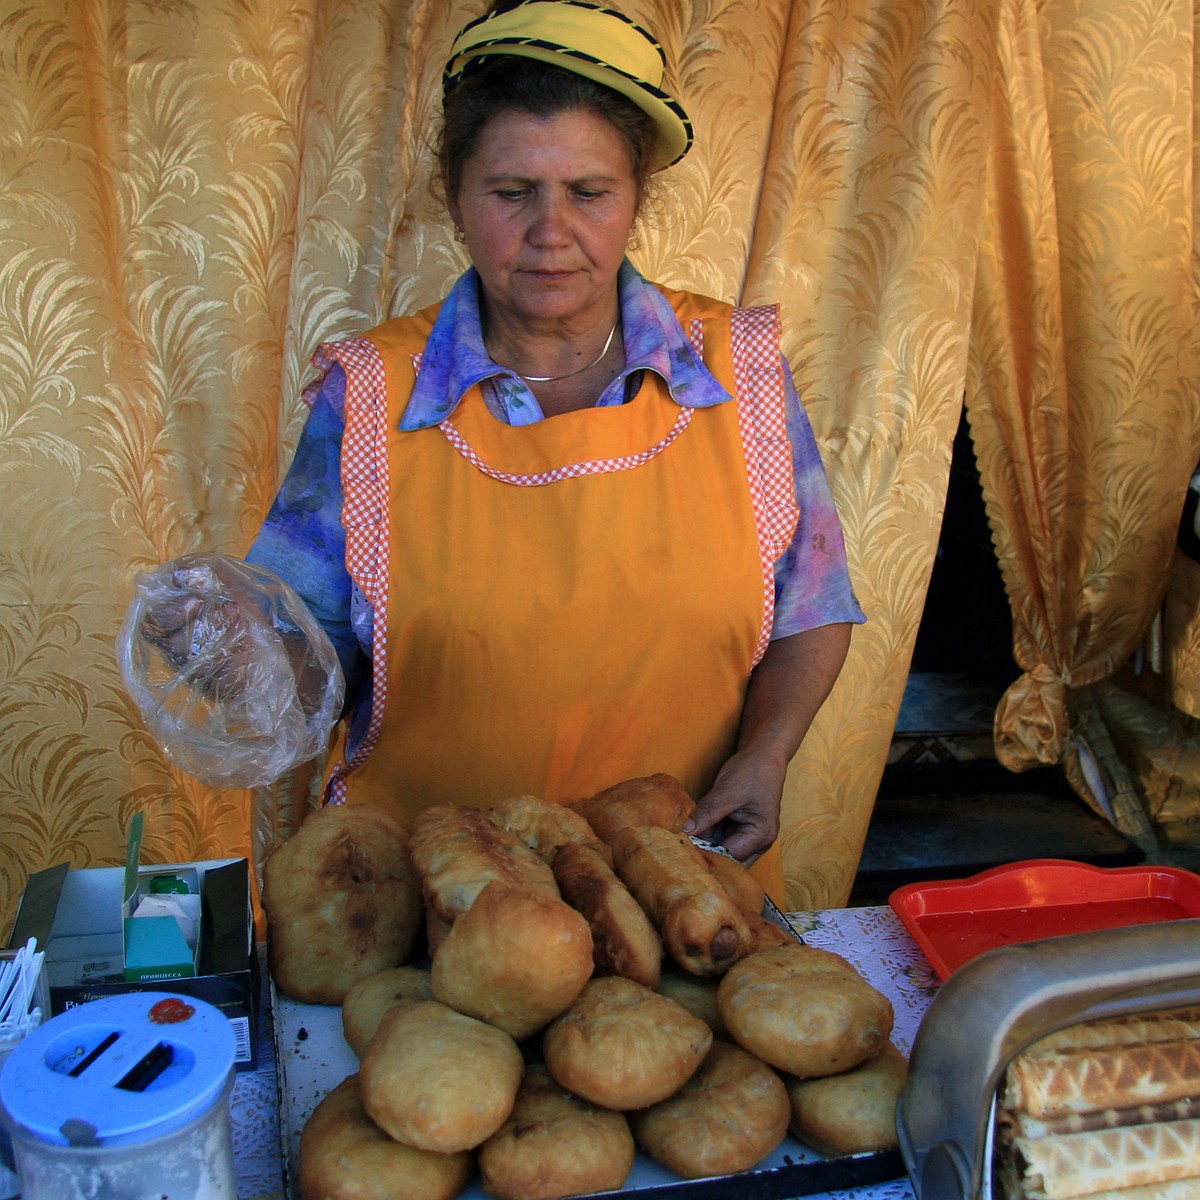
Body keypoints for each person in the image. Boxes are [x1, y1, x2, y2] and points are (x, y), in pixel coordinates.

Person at [245, 0, 865, 899]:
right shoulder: (374, 393)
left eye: (588, 191)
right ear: (455, 199)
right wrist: (240, 650)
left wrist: (766, 756)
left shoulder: (738, 373)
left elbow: (812, 606)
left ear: (635, 200)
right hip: (431, 905)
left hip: (684, 889)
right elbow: (307, 648)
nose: (550, 230)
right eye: (511, 192)